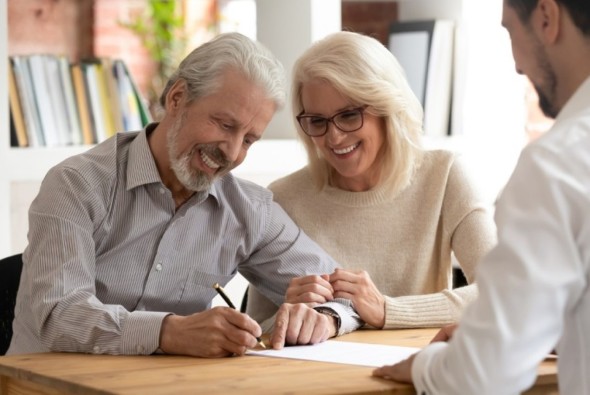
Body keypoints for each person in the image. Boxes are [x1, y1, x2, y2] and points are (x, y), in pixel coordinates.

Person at [7, 32, 362, 358]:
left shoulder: (249, 210)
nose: (232, 151)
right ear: (177, 98)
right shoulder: (76, 184)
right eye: (225, 125)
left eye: (249, 139)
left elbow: (344, 293)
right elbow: (57, 315)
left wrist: (325, 317)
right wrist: (168, 332)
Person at [373, 0, 590, 393]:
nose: (517, 66)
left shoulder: (556, 166)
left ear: (546, 17)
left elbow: (482, 376)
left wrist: (431, 364)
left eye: (509, 31)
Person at [246, 31, 497, 330]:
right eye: (317, 121)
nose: (334, 137)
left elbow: (502, 291)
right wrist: (289, 313)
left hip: (417, 368)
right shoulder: (284, 199)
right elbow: (256, 332)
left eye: (349, 115)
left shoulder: (445, 176)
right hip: (319, 374)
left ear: (387, 109)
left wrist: (387, 310)